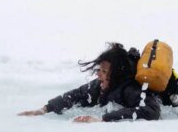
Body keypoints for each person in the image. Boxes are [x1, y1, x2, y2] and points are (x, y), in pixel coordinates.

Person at [18, 43, 162, 122]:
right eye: (99, 69)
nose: (98, 74)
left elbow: (152, 111)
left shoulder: (130, 88)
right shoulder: (100, 85)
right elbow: (77, 94)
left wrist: (103, 119)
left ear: (117, 75)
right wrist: (45, 109)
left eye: (104, 71)